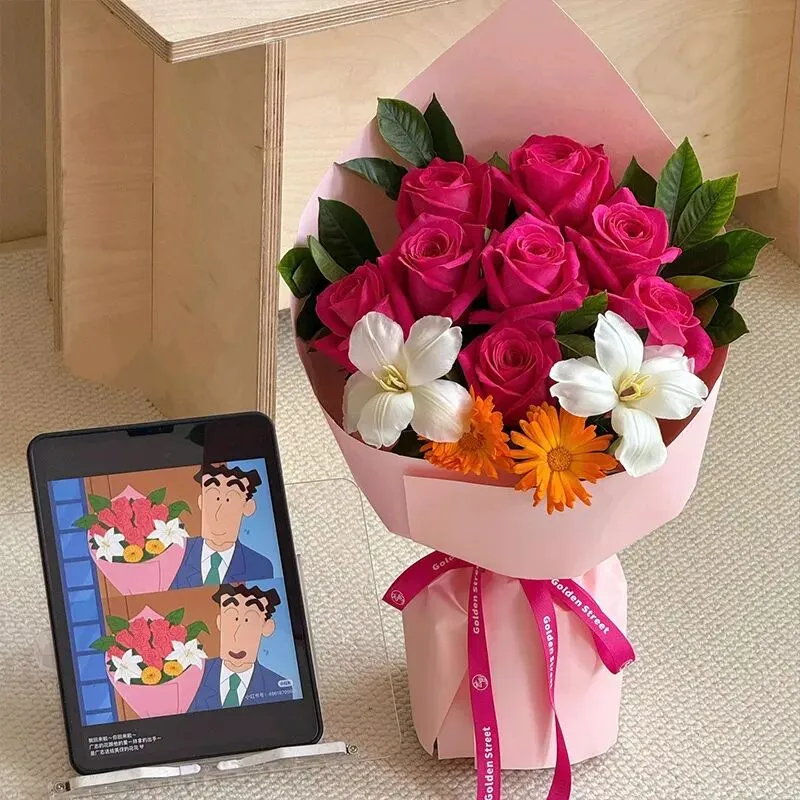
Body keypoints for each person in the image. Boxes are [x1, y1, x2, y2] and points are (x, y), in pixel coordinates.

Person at [189, 583, 293, 712]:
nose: (237, 635)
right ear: (220, 622)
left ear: (267, 627)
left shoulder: (278, 685)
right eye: (232, 618)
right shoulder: (193, 676)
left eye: (248, 620)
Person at [171, 464, 273, 589]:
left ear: (248, 507)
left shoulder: (260, 566)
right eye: (214, 498)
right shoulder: (176, 554)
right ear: (201, 502)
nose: (218, 513)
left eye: (230, 500)